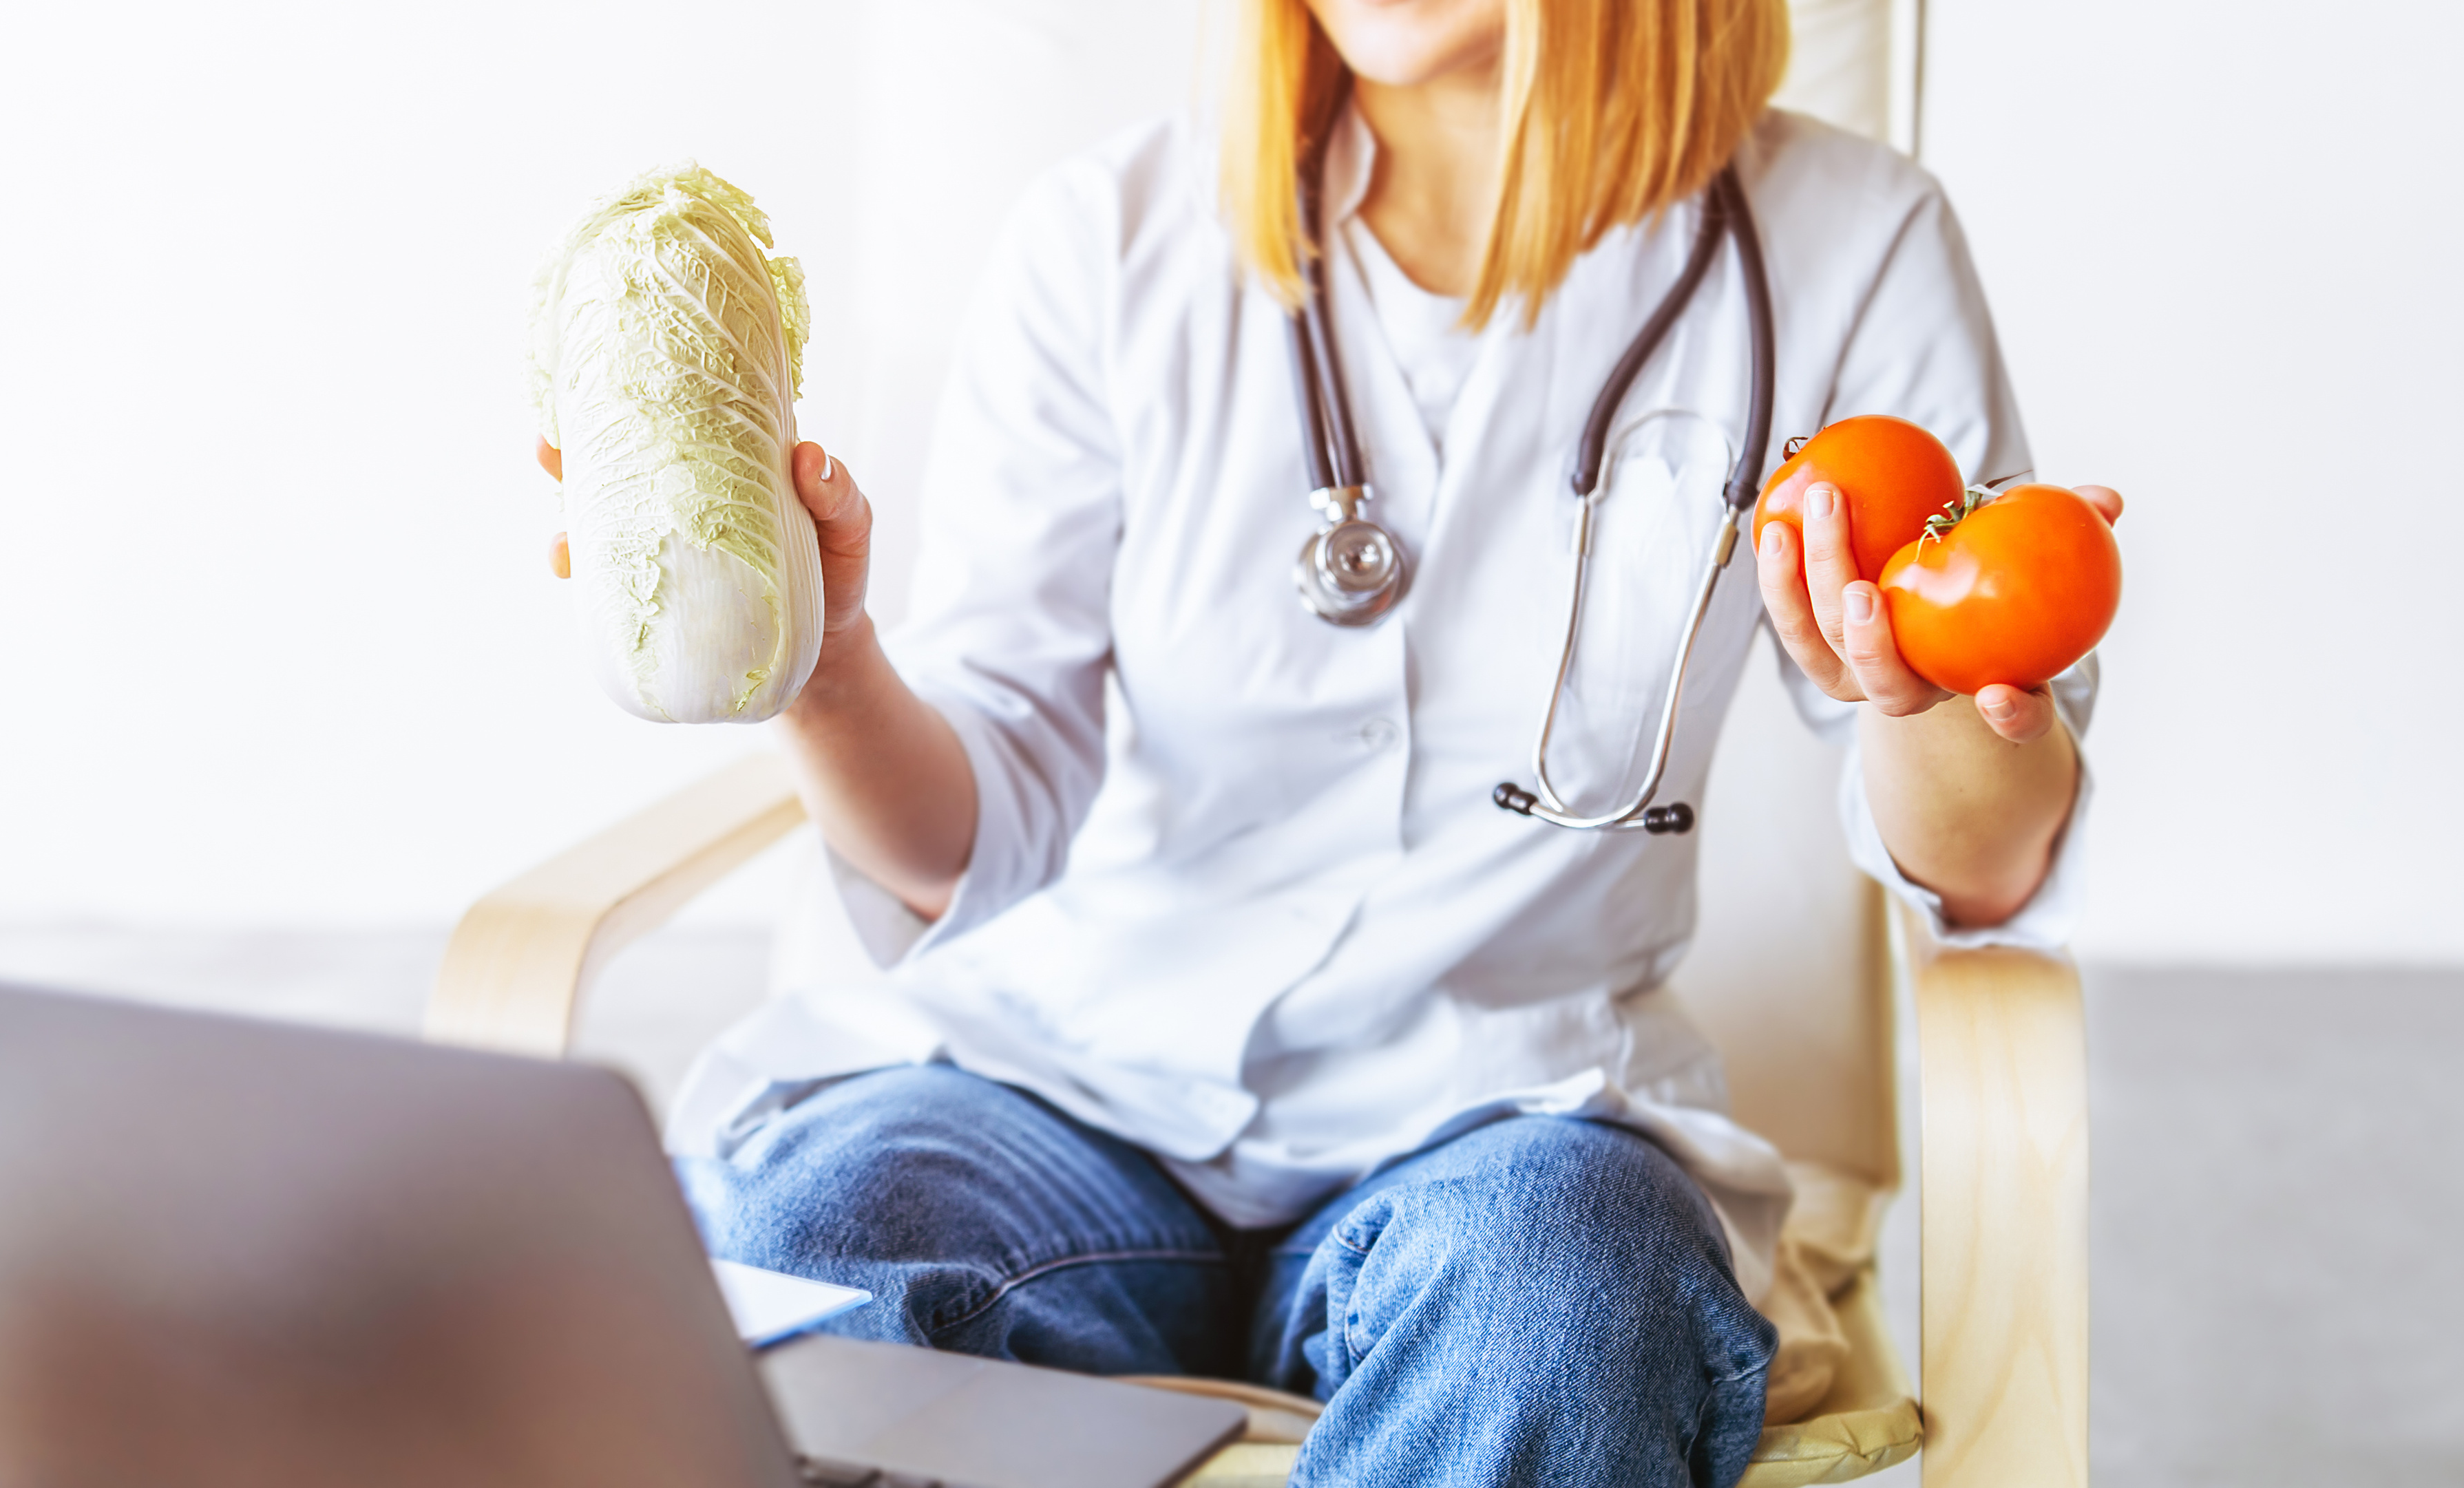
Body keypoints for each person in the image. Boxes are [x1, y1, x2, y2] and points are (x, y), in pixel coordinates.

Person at [536, 1, 2115, 1482]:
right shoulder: (1112, 239)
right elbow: (963, 835)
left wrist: (1922, 696)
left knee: (1566, 1304)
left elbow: (1983, 868)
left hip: (1500, 1114)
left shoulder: (1852, 245)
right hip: (1051, 1089)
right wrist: (825, 660)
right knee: (806, 1251)